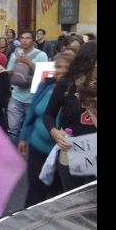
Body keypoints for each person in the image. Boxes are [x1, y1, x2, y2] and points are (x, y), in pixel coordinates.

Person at [17, 50, 75, 207]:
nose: (61, 71)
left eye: (66, 67)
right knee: (35, 188)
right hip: (37, 147)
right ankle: (25, 224)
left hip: (60, 151)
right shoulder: (45, 85)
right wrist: (23, 137)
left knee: (57, 194)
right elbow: (32, 114)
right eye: (58, 67)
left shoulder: (76, 93)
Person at [43, 40, 97, 193]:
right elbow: (48, 114)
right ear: (87, 62)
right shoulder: (67, 84)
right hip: (73, 151)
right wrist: (54, 131)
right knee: (73, 203)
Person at [6, 30, 49, 145]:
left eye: (28, 38)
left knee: (30, 129)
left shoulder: (41, 55)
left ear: (33, 39)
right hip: (16, 96)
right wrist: (15, 66)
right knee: (13, 129)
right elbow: (8, 73)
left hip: (33, 98)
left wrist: (29, 64)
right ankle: (12, 156)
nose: (24, 40)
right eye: (22, 38)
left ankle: (27, 155)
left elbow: (44, 77)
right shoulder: (15, 54)